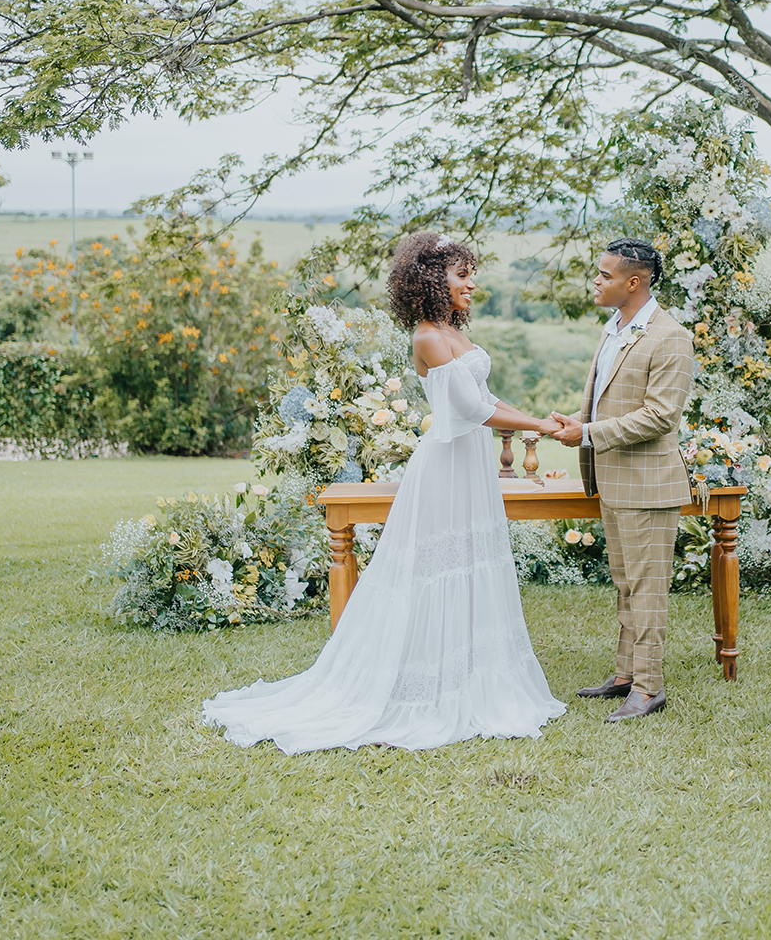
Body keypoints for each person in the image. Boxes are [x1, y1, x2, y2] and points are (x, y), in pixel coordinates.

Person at [202, 232, 566, 753]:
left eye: (471, 273)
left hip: (472, 467)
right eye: (462, 275)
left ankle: (470, 675)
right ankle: (425, 683)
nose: (472, 283)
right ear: (433, 280)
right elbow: (474, 411)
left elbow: (487, 396)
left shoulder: (454, 330)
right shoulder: (427, 338)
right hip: (445, 467)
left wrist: (534, 415)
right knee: (433, 571)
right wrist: (543, 428)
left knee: (471, 561)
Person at [549, 238, 695, 722]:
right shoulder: (616, 329)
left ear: (634, 282)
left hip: (648, 484)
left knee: (647, 587)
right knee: (625, 585)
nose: (597, 280)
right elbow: (613, 402)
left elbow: (658, 416)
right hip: (615, 481)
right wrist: (573, 421)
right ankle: (626, 674)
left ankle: (649, 687)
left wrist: (587, 433)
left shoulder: (669, 336)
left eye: (605, 274)